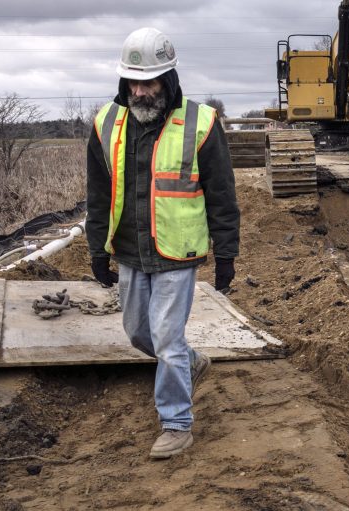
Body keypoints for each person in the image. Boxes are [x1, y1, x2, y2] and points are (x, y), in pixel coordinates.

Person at [86, 27, 240, 459]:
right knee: (138, 333)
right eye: (133, 82)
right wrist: (97, 248)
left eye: (149, 82)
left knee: (167, 338)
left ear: (168, 80)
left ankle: (176, 422)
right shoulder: (105, 125)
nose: (141, 91)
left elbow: (222, 194)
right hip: (131, 250)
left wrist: (227, 253)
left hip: (177, 253)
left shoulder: (201, 123)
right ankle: (192, 363)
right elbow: (97, 194)